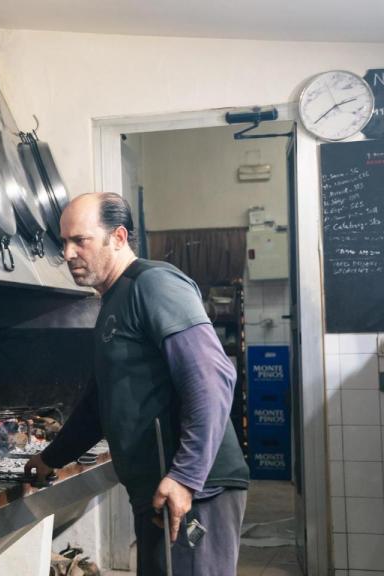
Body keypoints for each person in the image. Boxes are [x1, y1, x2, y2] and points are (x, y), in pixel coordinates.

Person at [25, 193, 249, 575]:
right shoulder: (113, 301)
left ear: (118, 237)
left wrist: (186, 476)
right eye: (63, 242)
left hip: (198, 489)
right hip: (157, 489)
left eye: (80, 240)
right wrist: (51, 458)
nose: (68, 254)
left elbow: (213, 378)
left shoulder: (154, 285)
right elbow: (100, 404)